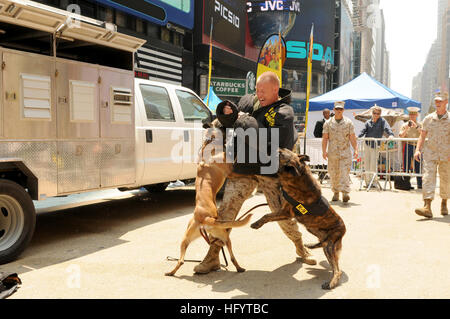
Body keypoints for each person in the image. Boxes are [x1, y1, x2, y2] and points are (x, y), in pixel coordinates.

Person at [194, 71, 316, 274]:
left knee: (282, 216)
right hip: (244, 167)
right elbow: (230, 123)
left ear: (275, 90)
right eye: (257, 89)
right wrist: (226, 115)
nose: (259, 94)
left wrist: (243, 121)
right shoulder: (247, 101)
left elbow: (272, 144)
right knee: (226, 212)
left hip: (271, 171)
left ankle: (300, 246)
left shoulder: (284, 112)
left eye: (264, 90)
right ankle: (212, 256)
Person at [414, 91, 449, 218]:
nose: (437, 103)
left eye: (440, 101)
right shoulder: (428, 118)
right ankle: (427, 206)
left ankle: (444, 202)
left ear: (446, 102)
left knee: (445, 180)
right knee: (428, 177)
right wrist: (418, 149)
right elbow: (422, 136)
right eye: (436, 101)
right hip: (430, 153)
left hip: (446, 155)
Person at [322, 101, 358, 202]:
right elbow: (325, 138)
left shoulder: (348, 122)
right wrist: (324, 151)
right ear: (334, 110)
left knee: (344, 173)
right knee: (333, 173)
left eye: (340, 109)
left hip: (345, 152)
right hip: (333, 153)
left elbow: (352, 137)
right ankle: (336, 192)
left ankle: (345, 193)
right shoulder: (328, 123)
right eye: (337, 109)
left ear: (343, 110)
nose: (339, 111)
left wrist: (356, 149)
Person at [358, 104, 394, 186]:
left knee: (373, 164)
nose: (376, 115)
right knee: (366, 163)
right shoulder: (368, 122)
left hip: (376, 145)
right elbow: (362, 131)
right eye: (374, 113)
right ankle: (367, 182)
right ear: (372, 113)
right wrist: (358, 137)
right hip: (367, 144)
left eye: (378, 113)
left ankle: (373, 182)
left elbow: (387, 128)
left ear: (380, 114)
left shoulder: (382, 121)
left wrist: (391, 135)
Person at [398, 106, 422, 189]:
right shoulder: (404, 125)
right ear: (409, 115)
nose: (412, 116)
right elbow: (401, 136)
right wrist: (407, 128)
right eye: (411, 115)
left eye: (414, 115)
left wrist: (416, 127)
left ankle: (420, 184)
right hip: (408, 145)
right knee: (406, 165)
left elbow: (423, 134)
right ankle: (406, 184)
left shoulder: (420, 124)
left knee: (418, 165)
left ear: (417, 115)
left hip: (417, 147)